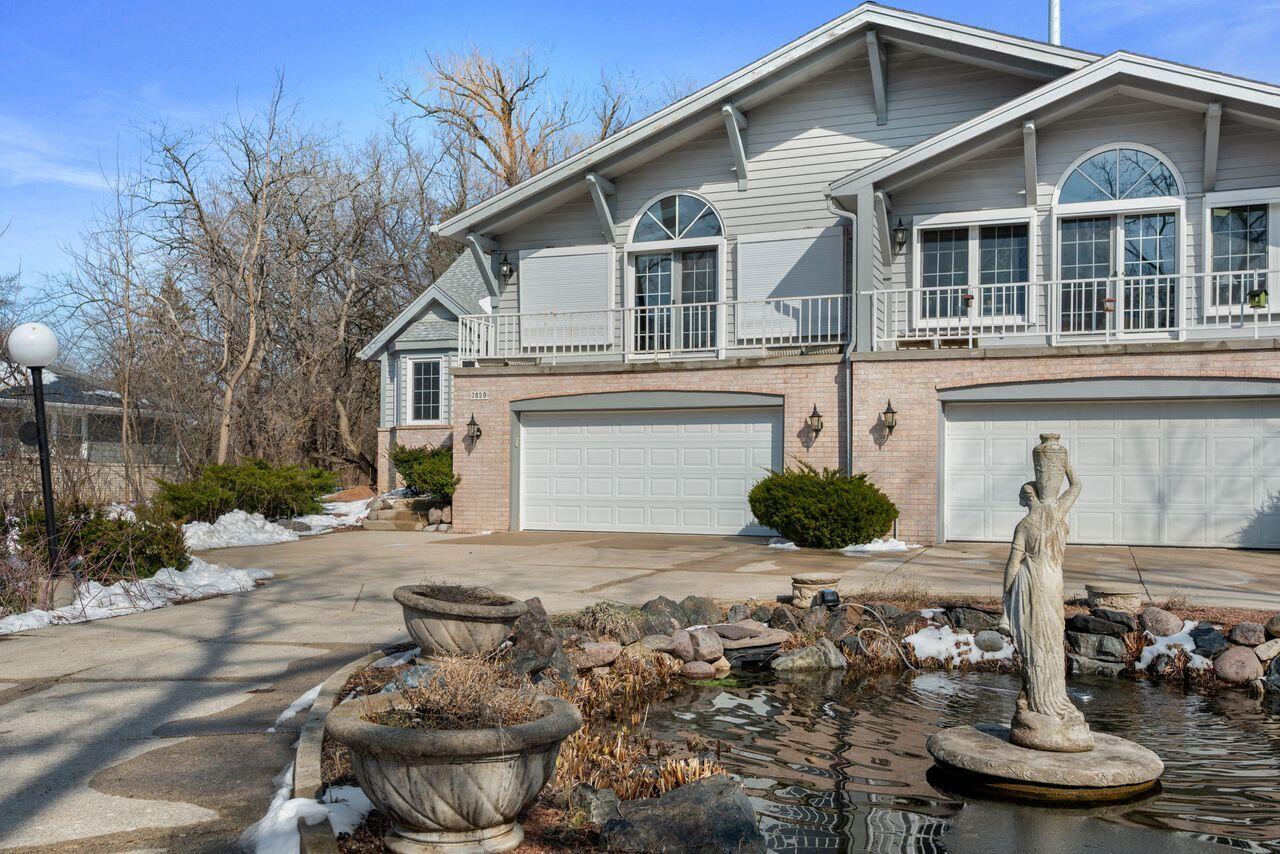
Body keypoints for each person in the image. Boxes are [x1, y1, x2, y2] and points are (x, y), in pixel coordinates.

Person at [1000, 452, 1093, 753]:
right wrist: (1064, 463)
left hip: (1032, 584)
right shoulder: (1059, 511)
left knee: (1034, 643)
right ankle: (1049, 703)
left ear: (1027, 498)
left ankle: (1040, 704)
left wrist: (1006, 600)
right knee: (1051, 640)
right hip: (1053, 584)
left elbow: (1013, 565)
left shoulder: (1024, 526)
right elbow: (1077, 485)